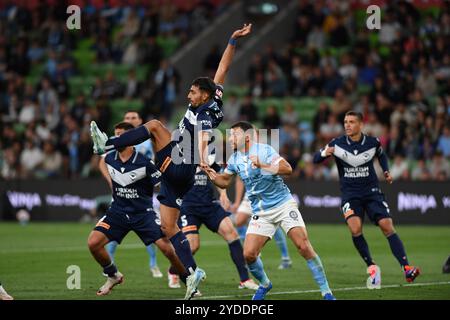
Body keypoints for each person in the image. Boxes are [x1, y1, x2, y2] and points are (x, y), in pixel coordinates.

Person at [90, 24, 252, 299]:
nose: (188, 96)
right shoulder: (214, 98)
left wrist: (202, 160)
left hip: (180, 162)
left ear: (203, 95)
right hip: (181, 177)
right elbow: (222, 70)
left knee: (153, 125)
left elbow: (201, 137)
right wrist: (231, 41)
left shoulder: (203, 115)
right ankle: (192, 274)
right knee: (168, 228)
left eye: (192, 92)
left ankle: (105, 143)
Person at [203, 121, 335, 300]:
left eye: (235, 134)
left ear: (247, 137)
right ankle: (265, 284)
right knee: (249, 254)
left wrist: (264, 165)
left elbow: (288, 169)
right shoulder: (234, 159)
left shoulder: (264, 151)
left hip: (282, 205)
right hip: (261, 211)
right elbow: (224, 181)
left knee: (303, 246)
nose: (231, 138)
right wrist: (211, 175)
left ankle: (326, 292)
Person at [313, 111, 420, 289]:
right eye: (346, 122)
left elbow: (382, 155)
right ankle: (371, 265)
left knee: (387, 225)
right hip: (350, 194)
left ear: (361, 125)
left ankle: (407, 268)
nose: (347, 125)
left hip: (372, 192)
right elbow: (316, 159)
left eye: (352, 122)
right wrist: (325, 152)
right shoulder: (337, 143)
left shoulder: (372, 142)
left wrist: (386, 171)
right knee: (355, 228)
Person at [87, 122, 186, 296]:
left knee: (167, 249)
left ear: (131, 140)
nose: (115, 139)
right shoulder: (110, 158)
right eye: (115, 135)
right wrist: (110, 181)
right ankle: (113, 275)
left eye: (120, 136)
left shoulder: (144, 163)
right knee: (93, 243)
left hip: (143, 214)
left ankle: (188, 278)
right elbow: (101, 162)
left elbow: (163, 185)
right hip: (117, 212)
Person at [170, 163, 259, 291]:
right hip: (189, 207)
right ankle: (173, 270)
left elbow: (217, 176)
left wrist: (223, 193)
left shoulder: (210, 153)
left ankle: (245, 280)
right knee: (192, 246)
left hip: (209, 204)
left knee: (232, 234)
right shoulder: (182, 153)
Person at [98, 110, 162, 278]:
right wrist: (111, 181)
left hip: (144, 188)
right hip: (122, 187)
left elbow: (158, 157)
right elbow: (102, 161)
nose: (130, 120)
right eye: (127, 118)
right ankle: (110, 263)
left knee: (150, 229)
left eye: (133, 118)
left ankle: (153, 263)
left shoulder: (148, 139)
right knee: (114, 227)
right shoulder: (118, 140)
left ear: (140, 121)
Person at [233, 177, 293, 269]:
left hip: (266, 193)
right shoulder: (239, 163)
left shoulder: (262, 162)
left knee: (273, 223)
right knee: (239, 221)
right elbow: (239, 179)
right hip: (251, 194)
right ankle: (254, 254)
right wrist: (237, 202)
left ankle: (286, 258)